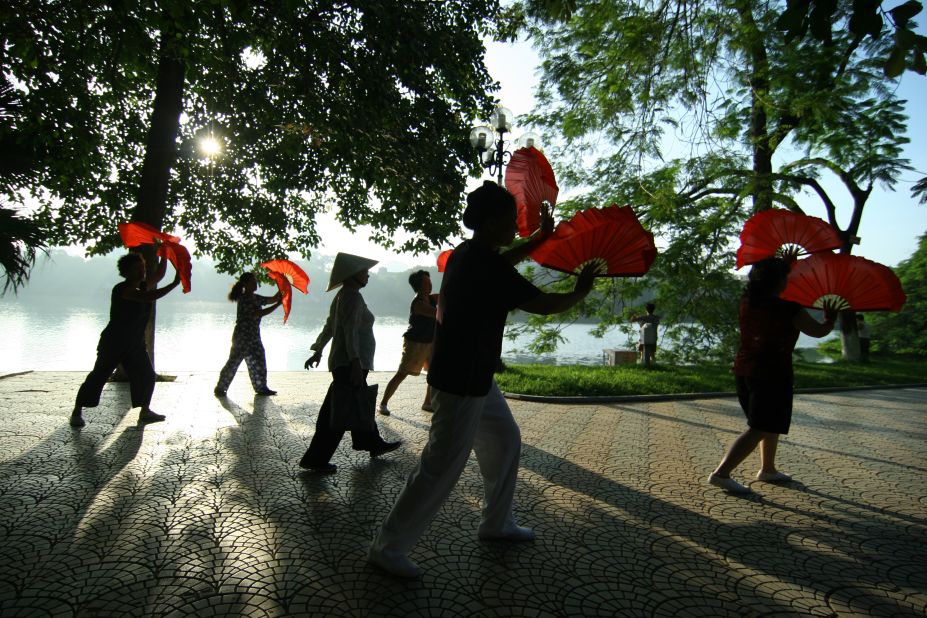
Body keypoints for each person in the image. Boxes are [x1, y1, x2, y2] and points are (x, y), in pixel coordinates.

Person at [367, 181, 597, 578]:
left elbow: (504, 259)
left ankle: (496, 522)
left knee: (505, 439)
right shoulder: (485, 264)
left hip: (471, 375)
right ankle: (388, 547)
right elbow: (544, 304)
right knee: (441, 466)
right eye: (511, 220)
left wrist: (541, 237)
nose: (516, 226)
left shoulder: (468, 253)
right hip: (462, 380)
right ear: (492, 222)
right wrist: (580, 291)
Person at [708, 257, 836, 494]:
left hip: (745, 370)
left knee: (769, 423)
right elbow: (818, 331)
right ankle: (721, 473)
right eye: (785, 276)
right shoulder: (788, 309)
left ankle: (768, 469)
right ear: (779, 281)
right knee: (760, 426)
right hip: (772, 373)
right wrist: (830, 317)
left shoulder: (747, 301)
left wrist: (783, 266)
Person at [298, 252, 401, 473]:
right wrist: (355, 361)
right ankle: (317, 458)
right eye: (365, 272)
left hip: (346, 361)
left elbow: (330, 326)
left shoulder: (343, 295)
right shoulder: (352, 297)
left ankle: (372, 442)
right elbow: (349, 331)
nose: (368, 275)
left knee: (355, 402)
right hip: (350, 363)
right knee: (339, 412)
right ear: (354, 275)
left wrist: (318, 350)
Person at [71, 252, 182, 428]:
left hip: (135, 344)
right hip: (114, 342)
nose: (142, 272)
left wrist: (165, 254)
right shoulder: (122, 289)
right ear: (126, 272)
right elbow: (148, 297)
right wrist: (175, 284)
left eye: (143, 268)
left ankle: (145, 411)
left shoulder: (143, 286)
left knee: (146, 375)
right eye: (137, 269)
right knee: (99, 375)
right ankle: (77, 410)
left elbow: (159, 274)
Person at [379, 270, 438, 416]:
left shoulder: (430, 298)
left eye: (429, 281)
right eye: (425, 282)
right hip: (415, 343)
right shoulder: (418, 303)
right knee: (402, 373)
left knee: (433, 373)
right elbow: (436, 313)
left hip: (429, 342)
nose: (429, 284)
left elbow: (446, 295)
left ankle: (427, 402)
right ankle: (383, 403)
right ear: (418, 286)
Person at [214, 273, 282, 397]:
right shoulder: (244, 299)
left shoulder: (256, 297)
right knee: (233, 363)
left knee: (260, 360)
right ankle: (220, 387)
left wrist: (282, 285)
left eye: (255, 281)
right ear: (245, 284)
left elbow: (273, 298)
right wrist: (277, 305)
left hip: (254, 337)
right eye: (253, 282)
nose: (256, 284)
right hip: (242, 337)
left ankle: (261, 388)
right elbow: (258, 313)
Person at [631, 302, 660, 367]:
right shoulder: (656, 318)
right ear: (653, 309)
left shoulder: (643, 317)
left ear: (646, 309)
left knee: (642, 353)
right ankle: (654, 366)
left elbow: (632, 320)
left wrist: (634, 315)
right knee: (652, 354)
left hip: (643, 338)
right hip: (653, 338)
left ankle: (643, 365)